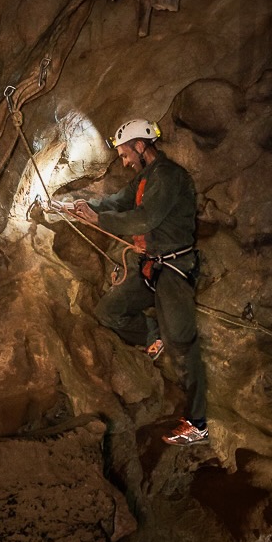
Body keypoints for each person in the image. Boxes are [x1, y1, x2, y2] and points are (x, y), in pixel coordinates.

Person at [69, 118, 208, 446]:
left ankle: (199, 423)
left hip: (174, 270)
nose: (124, 160)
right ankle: (154, 335)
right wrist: (79, 207)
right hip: (151, 268)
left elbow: (146, 218)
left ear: (141, 146)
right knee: (109, 312)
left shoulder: (170, 177)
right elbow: (118, 200)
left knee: (184, 344)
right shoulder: (146, 177)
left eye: (125, 153)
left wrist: (99, 219)